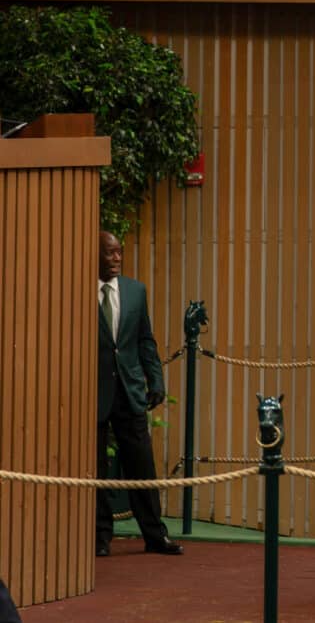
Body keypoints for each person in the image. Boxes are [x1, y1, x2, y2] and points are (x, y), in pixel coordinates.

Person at [96, 230, 183, 557]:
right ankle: (99, 538)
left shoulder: (135, 291)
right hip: (93, 394)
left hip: (129, 392)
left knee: (141, 466)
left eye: (119, 252)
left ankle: (155, 536)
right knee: (96, 470)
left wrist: (155, 380)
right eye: (109, 253)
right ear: (95, 256)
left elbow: (145, 340)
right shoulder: (78, 290)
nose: (117, 258)